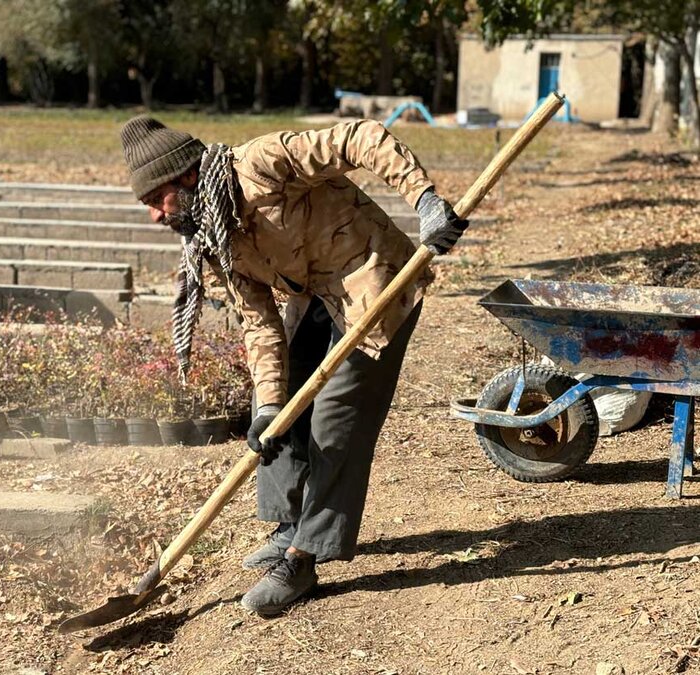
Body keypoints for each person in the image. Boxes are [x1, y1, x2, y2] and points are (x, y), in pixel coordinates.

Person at [120, 115, 467, 617]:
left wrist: (425, 200)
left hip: (374, 280)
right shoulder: (213, 234)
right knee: (278, 414)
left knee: (335, 420)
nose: (155, 215)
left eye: (158, 199)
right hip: (316, 295)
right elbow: (258, 322)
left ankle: (303, 557)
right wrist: (268, 405)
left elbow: (360, 138)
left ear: (187, 176)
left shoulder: (262, 164)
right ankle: (289, 525)